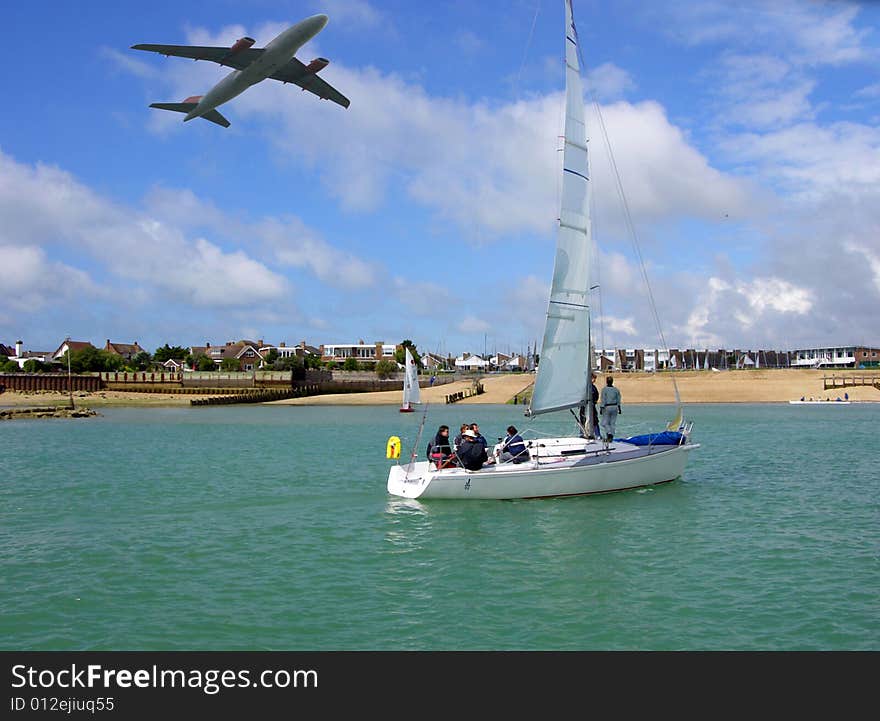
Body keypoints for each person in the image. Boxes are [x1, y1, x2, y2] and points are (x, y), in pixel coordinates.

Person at [599, 375, 622, 446]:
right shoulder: (616, 390)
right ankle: (611, 435)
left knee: (604, 423)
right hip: (615, 407)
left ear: (606, 382)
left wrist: (601, 408)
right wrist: (619, 408)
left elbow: (603, 399)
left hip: (607, 407)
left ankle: (609, 434)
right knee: (612, 423)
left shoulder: (604, 390)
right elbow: (619, 399)